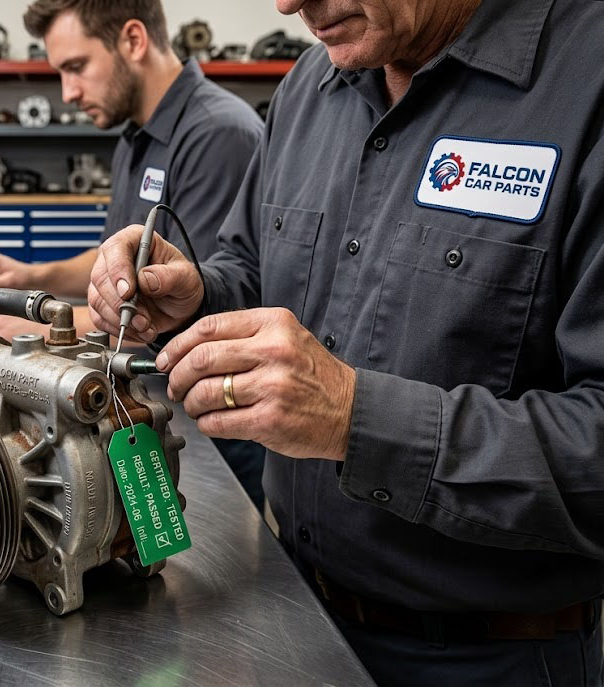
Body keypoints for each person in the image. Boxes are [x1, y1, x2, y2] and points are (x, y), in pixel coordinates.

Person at [85, 0, 604, 685]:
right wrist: (197, 292)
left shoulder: (587, 80)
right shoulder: (310, 88)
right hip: (294, 611)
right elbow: (257, 266)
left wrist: (358, 419)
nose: (289, 3)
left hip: (486, 657)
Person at [0, 0, 269, 508]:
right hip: (139, 406)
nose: (68, 92)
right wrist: (36, 275)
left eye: (76, 67)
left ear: (133, 41)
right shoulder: (133, 137)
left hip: (205, 434)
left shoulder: (218, 134)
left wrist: (42, 334)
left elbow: (192, 313)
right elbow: (119, 269)